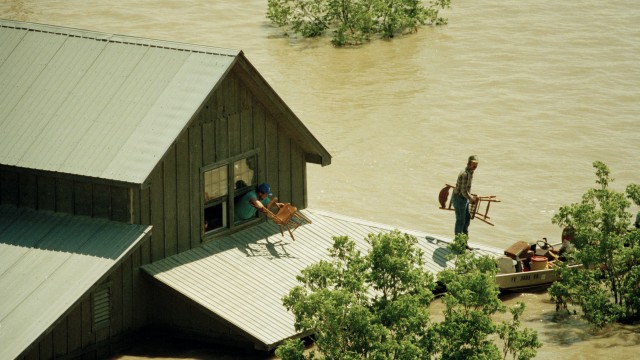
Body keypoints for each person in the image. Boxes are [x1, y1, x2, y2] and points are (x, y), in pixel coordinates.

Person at [452, 155, 479, 236]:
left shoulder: (470, 172)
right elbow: (463, 191)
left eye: (476, 165)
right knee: (460, 221)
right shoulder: (465, 174)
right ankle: (458, 242)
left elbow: (466, 190)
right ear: (468, 164)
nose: (475, 167)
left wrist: (469, 197)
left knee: (467, 219)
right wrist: (471, 198)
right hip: (459, 199)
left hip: (464, 198)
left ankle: (464, 241)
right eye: (473, 165)